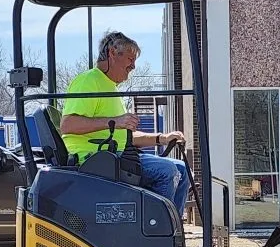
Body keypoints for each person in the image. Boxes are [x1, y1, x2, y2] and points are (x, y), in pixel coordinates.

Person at [60, 31, 190, 218]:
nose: (133, 66)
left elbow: (124, 136)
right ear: (113, 53)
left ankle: (173, 228)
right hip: (95, 160)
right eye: (130, 59)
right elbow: (68, 125)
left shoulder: (109, 87)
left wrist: (161, 138)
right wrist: (115, 121)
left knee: (182, 169)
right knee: (167, 171)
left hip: (115, 155)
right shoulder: (89, 81)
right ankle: (157, 228)